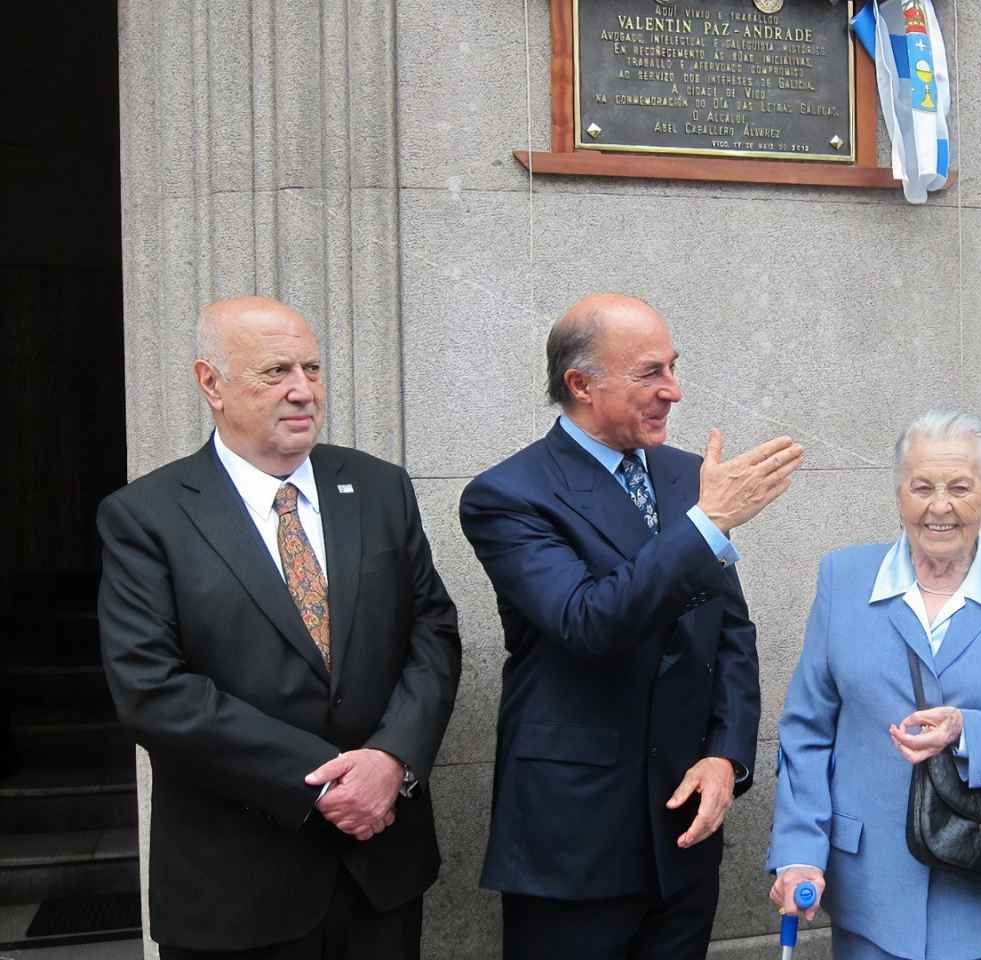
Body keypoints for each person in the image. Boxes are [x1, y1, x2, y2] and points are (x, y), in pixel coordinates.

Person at [96, 296, 462, 959]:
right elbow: (150, 688)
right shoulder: (145, 516)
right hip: (235, 888)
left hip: (379, 873)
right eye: (276, 372)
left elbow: (432, 631)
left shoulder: (380, 489)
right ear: (211, 382)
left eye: (313, 368)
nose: (304, 391)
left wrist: (392, 760)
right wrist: (324, 779)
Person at [460, 293, 803, 960]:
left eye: (673, 368)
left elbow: (729, 634)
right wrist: (707, 524)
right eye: (651, 374)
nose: (672, 392)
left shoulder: (685, 478)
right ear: (581, 384)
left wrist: (726, 757)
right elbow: (589, 621)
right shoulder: (509, 495)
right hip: (575, 841)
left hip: (683, 830)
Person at [768, 410, 981, 960]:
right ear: (899, 494)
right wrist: (799, 851)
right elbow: (806, 730)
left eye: (960, 487)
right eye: (922, 487)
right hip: (874, 903)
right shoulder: (843, 581)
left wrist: (968, 731)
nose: (939, 506)